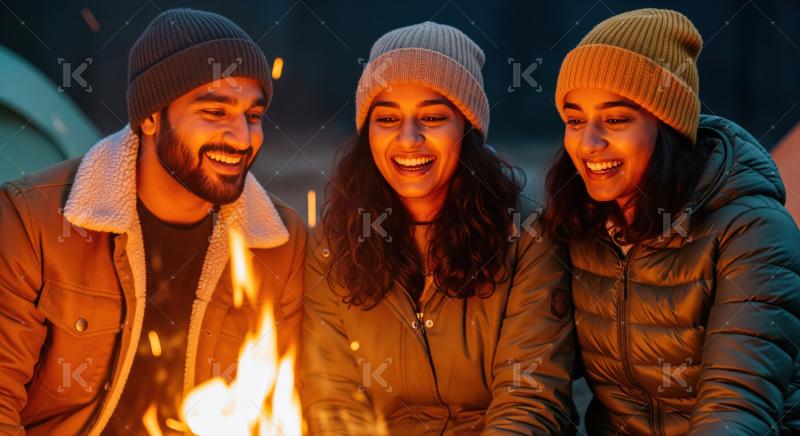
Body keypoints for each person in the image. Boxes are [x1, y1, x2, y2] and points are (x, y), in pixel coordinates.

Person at [0, 8, 306, 435]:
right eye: (215, 113)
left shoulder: (280, 241)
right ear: (149, 117)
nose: (242, 137)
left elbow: (288, 403)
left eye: (252, 117)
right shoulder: (31, 221)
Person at [300, 21, 577, 434]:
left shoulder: (526, 237)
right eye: (388, 119)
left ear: (466, 128)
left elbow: (530, 399)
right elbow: (332, 400)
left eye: (432, 117)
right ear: (367, 133)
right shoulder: (335, 241)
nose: (409, 138)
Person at [544, 8, 800, 434]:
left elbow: (735, 407)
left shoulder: (750, 231)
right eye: (575, 120)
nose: (589, 142)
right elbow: (527, 375)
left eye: (616, 119)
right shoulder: (576, 227)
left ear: (667, 124)